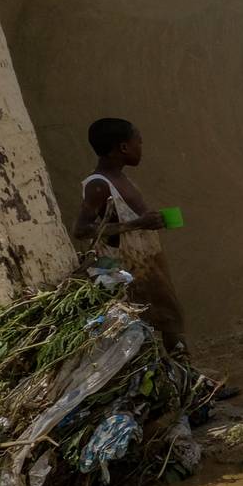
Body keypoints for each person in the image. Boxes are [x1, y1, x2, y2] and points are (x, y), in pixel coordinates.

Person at [72, 117, 189, 355]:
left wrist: (152, 221)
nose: (141, 148)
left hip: (147, 264)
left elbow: (125, 220)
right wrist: (136, 224)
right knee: (150, 327)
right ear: (123, 147)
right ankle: (188, 382)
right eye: (139, 142)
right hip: (126, 271)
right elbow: (81, 230)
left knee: (169, 319)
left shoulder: (121, 178)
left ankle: (186, 381)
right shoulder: (98, 184)